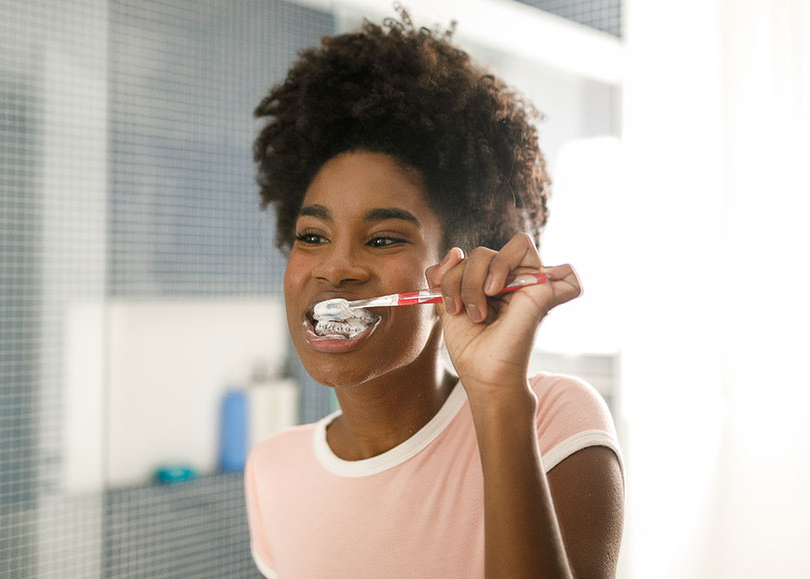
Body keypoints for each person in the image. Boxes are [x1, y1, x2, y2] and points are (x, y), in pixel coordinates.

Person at [245, 8, 624, 578]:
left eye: (382, 238)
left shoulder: (555, 422)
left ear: (458, 268)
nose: (336, 267)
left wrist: (497, 395)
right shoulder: (273, 469)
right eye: (312, 236)